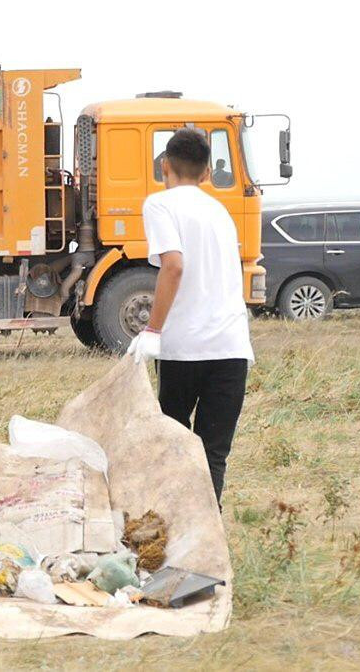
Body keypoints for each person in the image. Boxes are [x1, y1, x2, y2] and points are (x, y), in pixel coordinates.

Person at [127, 128, 254, 504]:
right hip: (231, 349)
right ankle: (208, 546)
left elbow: (174, 267)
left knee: (175, 448)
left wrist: (152, 329)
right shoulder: (220, 211)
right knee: (213, 455)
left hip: (184, 350)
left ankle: (176, 534)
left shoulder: (160, 204)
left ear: (164, 165)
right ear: (206, 173)